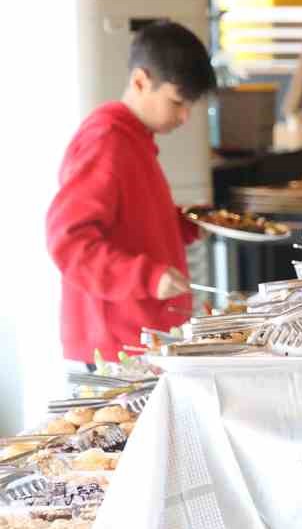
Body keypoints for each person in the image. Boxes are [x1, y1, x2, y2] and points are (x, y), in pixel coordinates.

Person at [47, 20, 217, 365]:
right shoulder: (105, 141)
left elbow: (131, 221)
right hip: (117, 347)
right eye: (176, 102)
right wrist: (147, 277)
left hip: (144, 337)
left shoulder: (136, 140)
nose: (184, 117)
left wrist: (185, 223)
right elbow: (69, 242)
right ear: (140, 81)